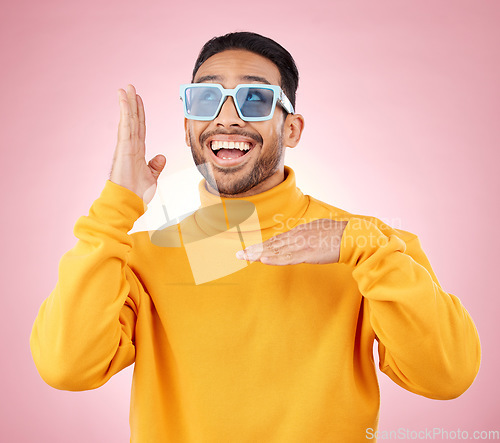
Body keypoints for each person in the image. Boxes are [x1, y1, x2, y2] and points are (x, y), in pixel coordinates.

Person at [30, 32, 481, 442]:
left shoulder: (370, 245)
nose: (227, 117)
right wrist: (116, 208)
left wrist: (365, 247)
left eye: (254, 97)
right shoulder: (142, 257)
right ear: (188, 127)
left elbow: (447, 376)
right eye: (206, 99)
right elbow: (66, 367)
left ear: (291, 128)